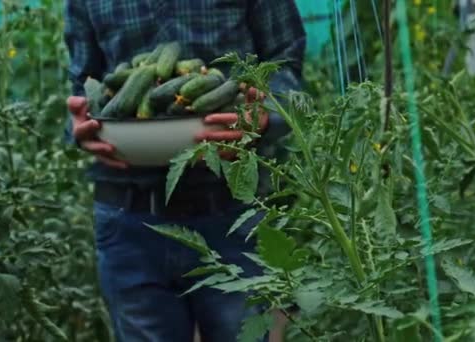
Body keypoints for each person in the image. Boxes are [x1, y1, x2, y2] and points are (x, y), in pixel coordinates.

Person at [63, 1, 305, 341]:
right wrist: (79, 125)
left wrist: (264, 113)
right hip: (128, 219)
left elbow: (287, 67)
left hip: (231, 211)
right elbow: (81, 85)